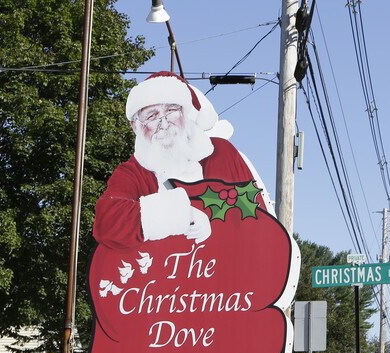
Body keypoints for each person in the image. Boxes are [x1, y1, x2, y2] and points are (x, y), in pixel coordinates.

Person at [93, 71, 269, 249]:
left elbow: (257, 219)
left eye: (171, 111)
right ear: (136, 126)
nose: (164, 124)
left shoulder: (221, 155)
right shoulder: (134, 171)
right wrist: (181, 214)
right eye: (152, 116)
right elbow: (106, 220)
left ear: (186, 113)